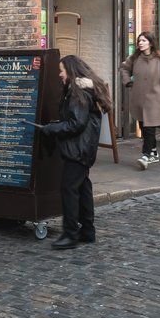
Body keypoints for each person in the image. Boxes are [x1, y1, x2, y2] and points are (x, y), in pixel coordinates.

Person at [34, 55, 107, 249]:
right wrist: (56, 125)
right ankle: (87, 231)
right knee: (82, 188)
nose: (60, 74)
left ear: (71, 71)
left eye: (62, 70)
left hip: (78, 149)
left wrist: (52, 129)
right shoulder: (82, 89)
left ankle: (70, 233)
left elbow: (76, 123)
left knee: (69, 189)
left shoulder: (78, 92)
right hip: (83, 148)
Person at [120, 32, 160, 169]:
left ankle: (146, 155)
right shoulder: (135, 58)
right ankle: (154, 152)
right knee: (144, 128)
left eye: (144, 40)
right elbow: (124, 68)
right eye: (139, 40)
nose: (140, 43)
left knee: (149, 128)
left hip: (155, 100)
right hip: (138, 100)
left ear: (150, 43)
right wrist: (127, 81)